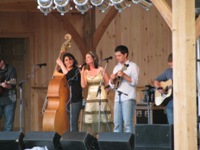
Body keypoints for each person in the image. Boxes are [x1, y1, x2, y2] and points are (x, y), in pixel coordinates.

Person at [80, 51, 112, 136]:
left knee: (101, 117)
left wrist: (106, 92)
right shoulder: (86, 71)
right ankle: (92, 138)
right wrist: (82, 73)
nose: (86, 59)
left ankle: (102, 137)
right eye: (85, 57)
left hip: (101, 95)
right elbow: (83, 85)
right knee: (90, 118)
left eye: (88, 57)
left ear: (94, 58)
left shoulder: (101, 69)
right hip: (90, 96)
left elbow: (108, 83)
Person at [109, 45, 139, 133]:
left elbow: (135, 82)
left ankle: (130, 145)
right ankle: (118, 145)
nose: (117, 58)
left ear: (125, 55)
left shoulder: (133, 66)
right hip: (118, 98)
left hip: (128, 97)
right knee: (117, 124)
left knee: (128, 124)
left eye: (119, 56)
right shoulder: (116, 67)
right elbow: (112, 86)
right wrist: (111, 79)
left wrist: (124, 75)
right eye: (116, 56)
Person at [56, 52, 82, 132]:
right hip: (64, 99)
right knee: (66, 122)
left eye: (70, 59)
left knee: (73, 122)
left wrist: (61, 65)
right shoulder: (60, 71)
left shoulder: (76, 70)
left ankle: (74, 140)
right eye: (66, 60)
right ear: (64, 62)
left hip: (75, 99)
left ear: (73, 60)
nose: (69, 61)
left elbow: (69, 76)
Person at [154, 53, 173, 124]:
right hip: (170, 102)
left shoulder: (183, 72)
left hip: (180, 101)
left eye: (172, 65)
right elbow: (156, 80)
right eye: (170, 65)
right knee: (171, 125)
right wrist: (159, 88)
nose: (171, 67)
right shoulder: (168, 71)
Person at [0, 58, 17, 131]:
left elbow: (13, 84)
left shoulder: (11, 69)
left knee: (8, 125)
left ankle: (6, 142)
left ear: (2, 62)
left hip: (9, 99)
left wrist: (7, 85)